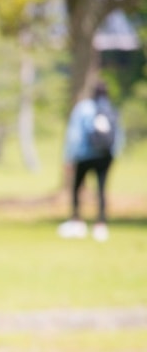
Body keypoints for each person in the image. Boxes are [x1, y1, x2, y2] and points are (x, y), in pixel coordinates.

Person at [60, 81, 122, 242]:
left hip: (84, 155)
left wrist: (69, 157)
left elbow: (74, 133)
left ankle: (77, 222)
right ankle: (100, 225)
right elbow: (119, 134)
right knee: (101, 189)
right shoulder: (110, 107)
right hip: (106, 156)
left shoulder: (83, 108)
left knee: (77, 188)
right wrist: (114, 153)